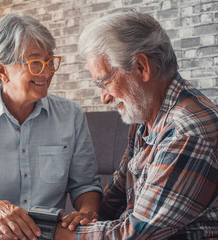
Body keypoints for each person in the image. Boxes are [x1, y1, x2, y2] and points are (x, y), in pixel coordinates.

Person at [55, 9, 218, 240]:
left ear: (141, 67)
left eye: (105, 81)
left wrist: (48, 233)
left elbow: (133, 234)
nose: (104, 97)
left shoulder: (186, 131)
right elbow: (113, 198)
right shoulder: (146, 121)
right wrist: (85, 214)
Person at [0, 14, 102, 240]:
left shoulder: (71, 115)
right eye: (35, 62)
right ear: (2, 71)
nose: (46, 72)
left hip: (42, 233)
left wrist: (86, 212)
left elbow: (85, 184)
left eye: (49, 61)